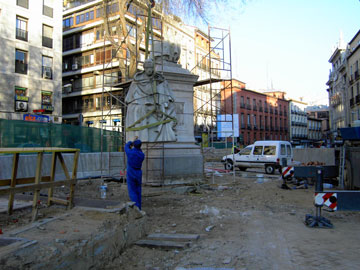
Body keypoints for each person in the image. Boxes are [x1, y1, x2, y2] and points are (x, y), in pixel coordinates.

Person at [125, 58, 177, 142]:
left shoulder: (159, 80)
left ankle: (164, 134)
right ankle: (142, 137)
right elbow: (129, 99)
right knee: (138, 110)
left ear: (153, 68)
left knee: (168, 109)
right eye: (147, 68)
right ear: (144, 68)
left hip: (157, 104)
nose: (149, 70)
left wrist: (164, 102)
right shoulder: (137, 81)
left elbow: (167, 94)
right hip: (142, 105)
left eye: (151, 68)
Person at [125, 137, 145, 210]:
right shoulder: (142, 155)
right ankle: (139, 207)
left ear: (134, 145)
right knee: (138, 190)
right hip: (138, 172)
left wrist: (130, 142)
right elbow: (138, 151)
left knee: (132, 190)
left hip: (131, 172)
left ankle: (136, 208)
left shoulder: (130, 152)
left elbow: (126, 147)